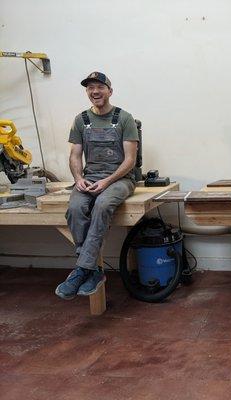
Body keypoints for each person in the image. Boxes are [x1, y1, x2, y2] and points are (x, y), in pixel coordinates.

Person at [56, 72, 139, 299]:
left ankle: (82, 269)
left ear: (109, 91)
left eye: (100, 87)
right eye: (90, 88)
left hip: (120, 180)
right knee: (74, 208)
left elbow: (130, 160)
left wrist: (107, 181)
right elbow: (75, 155)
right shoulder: (81, 120)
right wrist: (78, 179)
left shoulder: (124, 118)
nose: (95, 91)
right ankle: (93, 270)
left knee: (102, 205)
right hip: (90, 178)